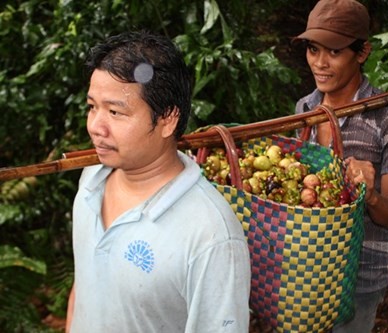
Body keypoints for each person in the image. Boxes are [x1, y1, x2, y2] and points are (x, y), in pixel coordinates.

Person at [65, 31, 251, 333]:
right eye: (91, 107)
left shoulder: (211, 235)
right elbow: (85, 286)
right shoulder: (91, 179)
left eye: (114, 111)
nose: (96, 127)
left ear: (167, 119)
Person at [292, 0, 388, 332]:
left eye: (333, 52)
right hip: (304, 270)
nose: (319, 63)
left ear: (361, 53)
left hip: (359, 277)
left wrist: (371, 196)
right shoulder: (304, 109)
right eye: (313, 49)